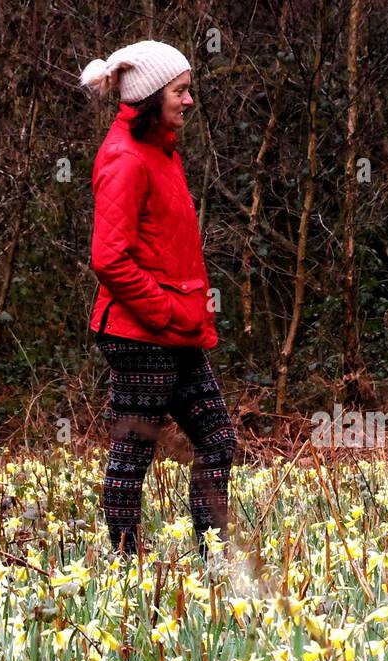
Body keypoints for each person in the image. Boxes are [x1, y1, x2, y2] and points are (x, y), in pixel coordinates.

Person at [80, 41, 236, 565]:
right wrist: (165, 313)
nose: (190, 100)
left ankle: (212, 561)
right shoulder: (125, 158)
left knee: (216, 439)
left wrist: (180, 316)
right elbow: (109, 258)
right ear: (150, 97)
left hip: (177, 330)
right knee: (135, 452)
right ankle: (125, 568)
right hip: (140, 332)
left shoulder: (160, 150)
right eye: (180, 91)